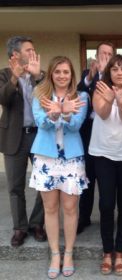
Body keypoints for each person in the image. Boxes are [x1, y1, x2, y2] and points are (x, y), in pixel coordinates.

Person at [29, 56, 88, 279]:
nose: (62, 76)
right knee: (51, 208)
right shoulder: (40, 96)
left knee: (71, 209)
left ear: (72, 75)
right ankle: (55, 254)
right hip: (46, 159)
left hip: (71, 159)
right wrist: (54, 112)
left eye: (66, 72)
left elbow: (76, 126)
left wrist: (64, 111)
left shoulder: (81, 96)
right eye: (57, 72)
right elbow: (40, 123)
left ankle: (69, 253)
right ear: (51, 74)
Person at [89, 54, 122, 276]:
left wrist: (121, 100)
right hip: (102, 154)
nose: (119, 72)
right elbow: (101, 113)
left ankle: (120, 251)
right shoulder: (99, 91)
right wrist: (111, 98)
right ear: (108, 73)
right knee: (106, 204)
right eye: (114, 69)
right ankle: (107, 252)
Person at [0, 36, 46, 247]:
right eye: (29, 49)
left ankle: (37, 223)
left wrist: (36, 78)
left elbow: (48, 100)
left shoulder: (41, 76)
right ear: (16, 55)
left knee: (44, 183)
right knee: (15, 186)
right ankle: (20, 227)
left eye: (34, 49)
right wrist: (14, 79)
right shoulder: (4, 74)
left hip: (39, 135)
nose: (33, 53)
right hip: (14, 137)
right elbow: (3, 99)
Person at [77, 41, 115, 234]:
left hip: (109, 130)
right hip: (90, 130)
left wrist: (103, 75)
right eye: (103, 53)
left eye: (109, 54)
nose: (106, 57)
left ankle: (107, 217)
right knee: (88, 175)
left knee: (107, 177)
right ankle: (84, 217)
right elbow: (78, 92)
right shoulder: (88, 75)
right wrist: (93, 75)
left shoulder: (116, 75)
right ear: (96, 56)